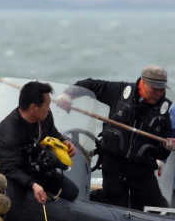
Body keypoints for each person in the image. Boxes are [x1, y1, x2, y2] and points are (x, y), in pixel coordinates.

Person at [56, 65, 175, 211]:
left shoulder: (166, 109)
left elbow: (161, 152)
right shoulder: (120, 91)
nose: (158, 93)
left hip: (142, 169)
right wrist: (68, 95)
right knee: (117, 206)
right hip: (113, 164)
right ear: (143, 82)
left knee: (157, 208)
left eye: (161, 89)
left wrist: (166, 148)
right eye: (155, 88)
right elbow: (89, 85)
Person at [0, 81, 79, 204]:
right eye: (47, 105)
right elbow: (9, 169)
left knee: (72, 192)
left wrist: (64, 141)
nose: (49, 109)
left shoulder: (44, 116)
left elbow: (52, 132)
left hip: (36, 169)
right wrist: (33, 185)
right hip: (13, 176)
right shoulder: (8, 133)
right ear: (33, 108)